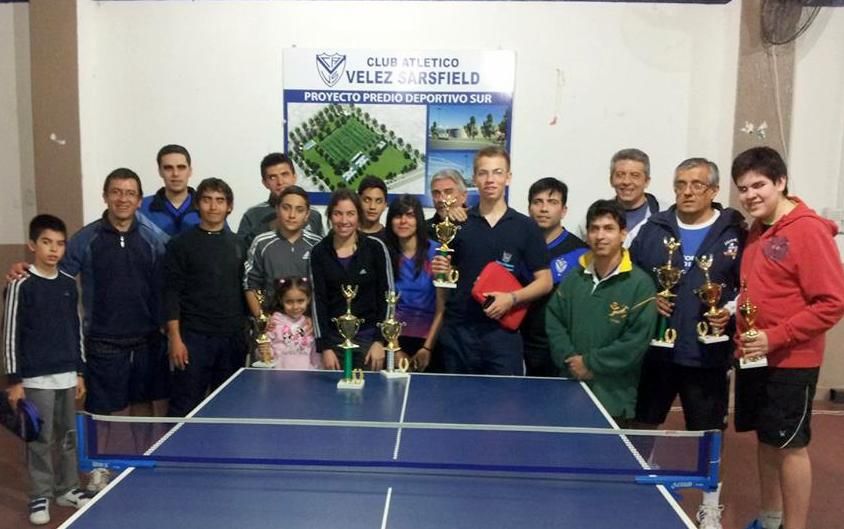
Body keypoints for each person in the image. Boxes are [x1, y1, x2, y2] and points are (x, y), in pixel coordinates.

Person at [730, 147, 844, 529]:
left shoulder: (808, 230)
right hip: (755, 356)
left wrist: (775, 337)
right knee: (766, 440)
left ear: (780, 182)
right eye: (743, 188)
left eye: (758, 185)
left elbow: (832, 303)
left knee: (791, 447)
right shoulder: (757, 229)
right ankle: (770, 519)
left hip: (792, 361)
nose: (750, 195)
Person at [630, 158, 745, 529]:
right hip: (658, 350)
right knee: (645, 421)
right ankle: (644, 479)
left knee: (708, 432)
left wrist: (728, 310)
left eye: (697, 184)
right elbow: (633, 276)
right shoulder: (653, 228)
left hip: (706, 353)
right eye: (680, 184)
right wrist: (650, 297)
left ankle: (710, 503)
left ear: (714, 190)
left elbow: (750, 285)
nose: (687, 191)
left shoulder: (735, 233)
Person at [3, 215, 91, 525]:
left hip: (67, 375)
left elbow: (76, 329)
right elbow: (10, 333)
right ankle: (40, 493)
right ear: (32, 245)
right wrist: (14, 380)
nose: (53, 250)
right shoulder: (20, 284)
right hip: (35, 378)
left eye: (60, 244)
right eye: (46, 242)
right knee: (39, 438)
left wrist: (79, 372)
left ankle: (67, 487)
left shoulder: (68, 284)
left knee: (68, 436)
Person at [433, 147, 552, 375]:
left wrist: (511, 298)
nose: (490, 179)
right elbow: (446, 277)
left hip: (501, 333)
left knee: (503, 398)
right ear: (475, 179)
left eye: (497, 172)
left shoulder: (525, 227)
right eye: (483, 173)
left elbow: (545, 281)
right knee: (454, 397)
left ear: (508, 177)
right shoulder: (457, 222)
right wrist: (442, 270)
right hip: (459, 332)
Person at [546, 199, 657, 424]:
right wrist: (570, 359)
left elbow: (635, 342)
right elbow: (554, 320)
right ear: (587, 235)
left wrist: (590, 363)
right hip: (571, 390)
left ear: (623, 234)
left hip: (614, 399)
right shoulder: (574, 278)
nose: (600, 236)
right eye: (594, 229)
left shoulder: (640, 284)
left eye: (608, 229)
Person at [164, 178, 249, 417]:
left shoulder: (240, 245)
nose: (213, 206)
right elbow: (171, 292)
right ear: (197, 204)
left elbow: (248, 290)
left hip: (232, 338)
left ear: (229, 206)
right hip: (193, 339)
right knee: (185, 406)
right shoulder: (180, 245)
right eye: (207, 200)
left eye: (220, 201)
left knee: (228, 407)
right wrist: (175, 338)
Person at [309, 189, 394, 371]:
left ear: (358, 216)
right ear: (330, 215)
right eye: (338, 213)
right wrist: (324, 347)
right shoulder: (318, 252)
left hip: (369, 341)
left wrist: (380, 340)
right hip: (334, 343)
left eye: (350, 214)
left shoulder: (376, 248)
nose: (344, 220)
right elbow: (318, 302)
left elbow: (388, 297)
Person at [520, 178, 588, 376]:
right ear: (529, 208)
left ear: (563, 210)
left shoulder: (582, 254)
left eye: (552, 202)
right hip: (518, 344)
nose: (544, 209)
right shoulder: (517, 246)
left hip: (558, 350)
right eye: (537, 202)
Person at [383, 194, 446, 372]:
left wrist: (427, 348)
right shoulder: (384, 253)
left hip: (430, 340)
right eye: (398, 216)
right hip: (394, 339)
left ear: (418, 220)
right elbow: (384, 307)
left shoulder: (437, 252)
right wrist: (395, 349)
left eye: (410, 215)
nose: (403, 221)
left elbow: (442, 308)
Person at [243, 185, 321, 320]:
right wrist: (263, 319)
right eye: (286, 208)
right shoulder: (261, 243)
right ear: (277, 209)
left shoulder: (317, 244)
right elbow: (250, 284)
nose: (292, 215)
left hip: (308, 324)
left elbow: (323, 288)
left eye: (299, 210)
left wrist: (314, 321)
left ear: (307, 215)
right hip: (272, 322)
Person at [579, 148, 662, 248]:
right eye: (620, 175)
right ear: (611, 180)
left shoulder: (665, 215)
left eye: (635, 175)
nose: (626, 181)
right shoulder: (595, 216)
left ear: (647, 181)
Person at [237, 152, 324, 247]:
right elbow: (240, 251)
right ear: (265, 183)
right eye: (272, 177)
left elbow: (322, 250)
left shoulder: (313, 215)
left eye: (285, 174)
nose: (280, 182)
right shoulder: (253, 215)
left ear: (294, 177)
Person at [258, 277, 319, 370]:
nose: (295, 307)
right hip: (279, 374)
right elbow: (265, 352)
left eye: (300, 301)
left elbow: (315, 355)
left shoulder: (310, 324)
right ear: (281, 300)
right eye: (289, 302)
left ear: (308, 299)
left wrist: (317, 371)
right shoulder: (274, 322)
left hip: (305, 374)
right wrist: (264, 352)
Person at [139, 144, 200, 237]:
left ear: (190, 171)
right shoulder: (141, 209)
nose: (175, 173)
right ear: (160, 171)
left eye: (181, 167)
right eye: (168, 168)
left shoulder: (208, 208)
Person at [426, 168, 469, 239]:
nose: (441, 199)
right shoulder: (423, 230)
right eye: (436, 193)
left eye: (448, 192)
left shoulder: (479, 226)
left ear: (463, 196)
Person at [357, 175, 388, 240]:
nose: (372, 206)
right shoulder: (344, 235)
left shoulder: (391, 240)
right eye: (367, 200)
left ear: (385, 205)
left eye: (378, 201)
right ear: (358, 201)